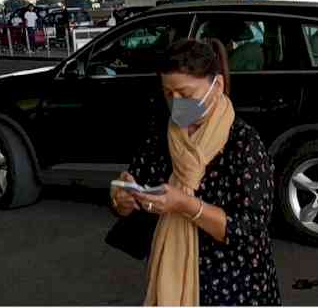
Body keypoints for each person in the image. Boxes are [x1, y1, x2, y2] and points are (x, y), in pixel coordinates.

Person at [110, 39, 281, 306]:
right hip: (171, 275)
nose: (177, 103)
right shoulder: (161, 136)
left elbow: (250, 230)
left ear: (218, 86)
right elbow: (137, 189)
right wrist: (124, 199)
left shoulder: (244, 144)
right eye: (169, 94)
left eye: (186, 94)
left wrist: (186, 205)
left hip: (235, 286)